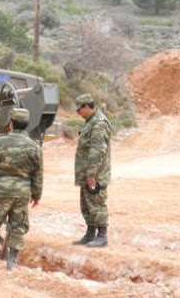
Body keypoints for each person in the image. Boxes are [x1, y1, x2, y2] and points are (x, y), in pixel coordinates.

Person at [0, 108, 43, 271]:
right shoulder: (34, 147)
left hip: (1, 190)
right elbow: (38, 174)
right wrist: (37, 195)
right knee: (18, 227)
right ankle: (12, 262)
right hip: (22, 192)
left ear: (11, 124)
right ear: (26, 125)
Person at [72, 93, 112, 248]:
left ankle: (102, 236)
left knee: (97, 204)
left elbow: (97, 151)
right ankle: (90, 234)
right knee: (87, 204)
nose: (78, 113)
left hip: (95, 174)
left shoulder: (99, 123)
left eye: (79, 109)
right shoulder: (91, 121)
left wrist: (91, 174)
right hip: (87, 173)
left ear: (87, 107)